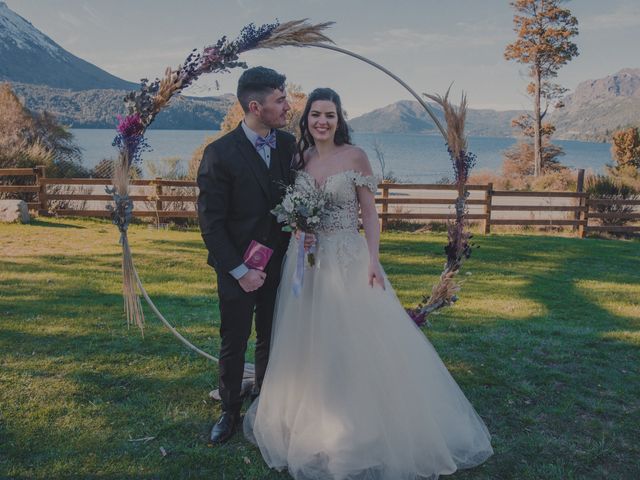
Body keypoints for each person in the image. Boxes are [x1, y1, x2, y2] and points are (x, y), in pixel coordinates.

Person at [243, 88, 494, 479]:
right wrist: (299, 229)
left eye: (329, 115)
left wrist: (373, 259)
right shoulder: (301, 158)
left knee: (352, 338)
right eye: (315, 115)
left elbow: (369, 215)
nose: (322, 122)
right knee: (307, 339)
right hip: (307, 263)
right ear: (306, 119)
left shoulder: (355, 157)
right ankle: (312, 416)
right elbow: (296, 214)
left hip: (347, 258)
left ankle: (363, 423)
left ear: (339, 119)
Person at [197, 66, 299, 445]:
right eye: (280, 99)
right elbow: (211, 223)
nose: (287, 105)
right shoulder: (219, 154)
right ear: (256, 106)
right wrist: (240, 270)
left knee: (272, 337)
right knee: (234, 340)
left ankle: (266, 402)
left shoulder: (289, 146)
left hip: (281, 264)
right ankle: (229, 411)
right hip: (236, 268)